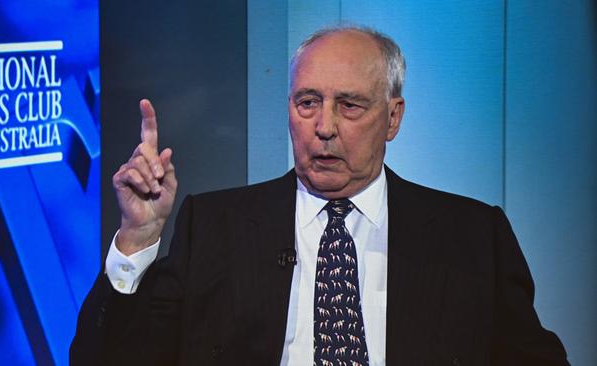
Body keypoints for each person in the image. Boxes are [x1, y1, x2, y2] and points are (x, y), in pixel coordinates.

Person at [70, 26, 569, 366]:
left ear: (393, 118)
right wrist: (137, 239)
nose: (323, 128)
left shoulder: (472, 235)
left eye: (350, 106)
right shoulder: (214, 226)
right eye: (307, 103)